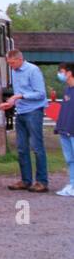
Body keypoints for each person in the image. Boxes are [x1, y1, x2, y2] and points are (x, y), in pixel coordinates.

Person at [0, 49, 48, 193]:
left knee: (37, 147)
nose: (11, 66)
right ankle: (26, 180)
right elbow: (18, 94)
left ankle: (42, 181)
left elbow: (40, 94)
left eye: (12, 63)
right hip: (20, 112)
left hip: (34, 112)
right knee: (21, 148)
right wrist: (11, 103)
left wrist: (19, 97)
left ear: (20, 60)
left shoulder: (33, 71)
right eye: (9, 63)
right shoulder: (14, 72)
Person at [55, 62, 74, 198]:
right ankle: (72, 184)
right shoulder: (67, 89)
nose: (60, 74)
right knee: (69, 160)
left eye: (61, 71)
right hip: (65, 131)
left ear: (68, 72)